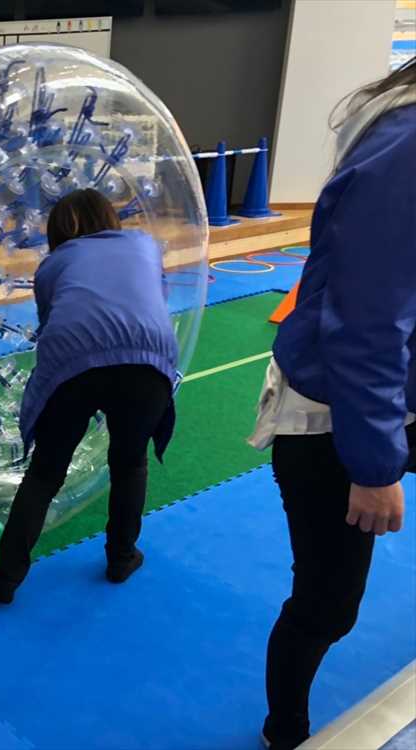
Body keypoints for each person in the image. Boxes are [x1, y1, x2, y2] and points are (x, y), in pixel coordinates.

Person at [248, 59, 416, 750]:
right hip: (333, 408)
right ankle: (284, 729)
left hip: (393, 384)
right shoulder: (406, 146)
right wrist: (374, 468)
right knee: (327, 604)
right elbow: (365, 322)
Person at [0, 188, 179, 604]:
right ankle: (121, 558)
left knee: (45, 473)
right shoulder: (145, 245)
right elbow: (153, 301)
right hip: (148, 356)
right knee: (130, 463)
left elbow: (50, 324)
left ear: (59, 233)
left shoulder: (54, 264)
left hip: (74, 358)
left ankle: (7, 576)